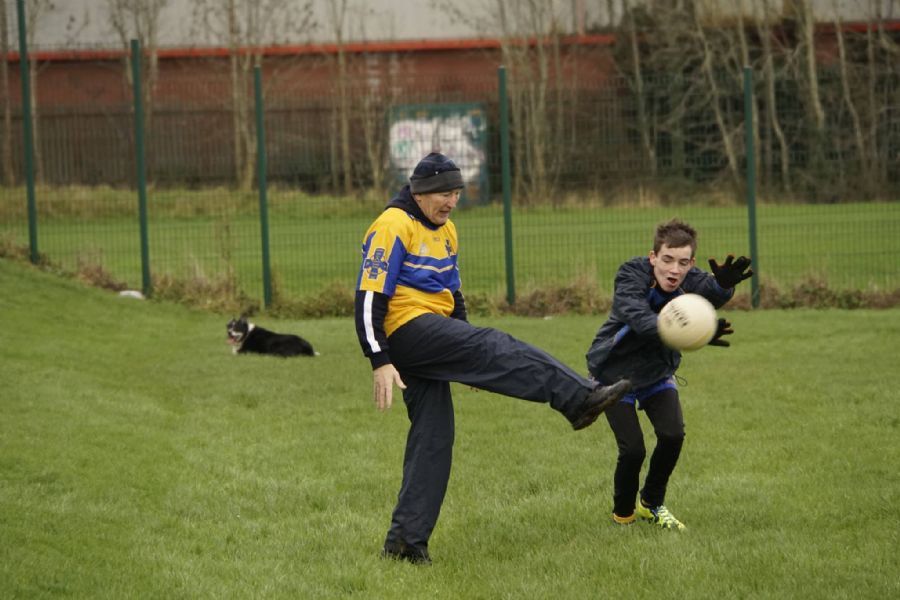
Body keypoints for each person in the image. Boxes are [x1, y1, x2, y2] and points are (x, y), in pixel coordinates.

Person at [354, 152, 632, 564]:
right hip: (405, 330)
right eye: (444, 193)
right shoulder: (393, 224)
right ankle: (578, 398)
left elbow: (453, 294)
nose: (451, 201)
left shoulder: (448, 231)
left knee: (434, 437)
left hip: (432, 332)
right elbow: (368, 296)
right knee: (494, 344)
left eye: (456, 193)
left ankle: (405, 544)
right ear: (420, 192)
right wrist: (378, 357)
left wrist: (464, 355)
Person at [585, 219, 752, 531]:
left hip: (657, 372)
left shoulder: (691, 278)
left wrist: (722, 286)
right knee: (633, 450)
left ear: (691, 263)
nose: (675, 270)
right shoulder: (631, 274)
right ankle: (623, 516)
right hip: (613, 373)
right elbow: (636, 316)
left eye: (683, 262)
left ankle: (651, 503)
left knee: (673, 435)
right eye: (667, 260)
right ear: (653, 257)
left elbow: (711, 295)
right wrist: (683, 331)